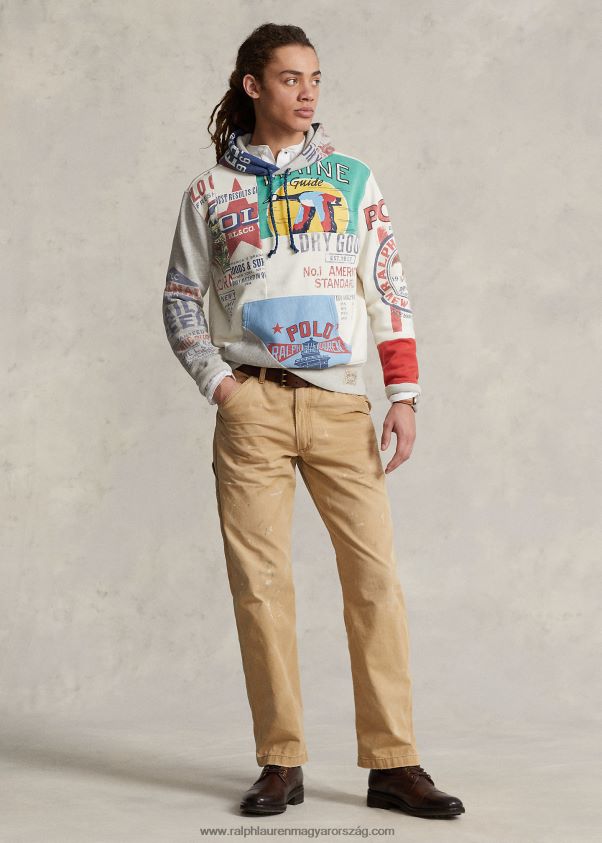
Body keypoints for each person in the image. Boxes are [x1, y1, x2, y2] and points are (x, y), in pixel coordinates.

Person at [163, 22, 465, 820]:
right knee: (260, 587)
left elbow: (387, 288)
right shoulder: (209, 192)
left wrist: (404, 396)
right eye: (291, 78)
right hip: (251, 407)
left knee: (374, 580)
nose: (308, 92)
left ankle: (393, 763)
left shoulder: (352, 179)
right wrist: (222, 387)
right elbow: (181, 300)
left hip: (339, 404)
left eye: (316, 78)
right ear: (253, 85)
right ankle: (281, 761)